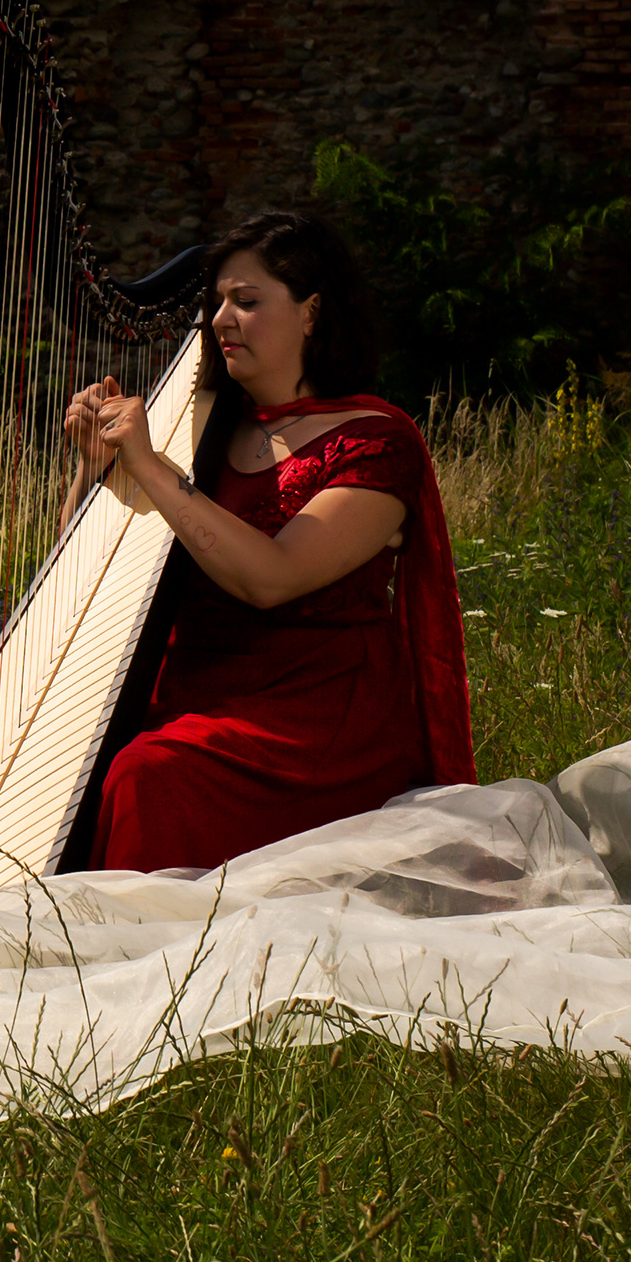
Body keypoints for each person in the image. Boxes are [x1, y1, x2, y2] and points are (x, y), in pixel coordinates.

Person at [60, 210, 474, 872]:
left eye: (246, 302)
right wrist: (95, 467)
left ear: (311, 313)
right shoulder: (200, 433)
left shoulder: (375, 441)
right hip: (189, 691)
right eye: (217, 302)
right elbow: (82, 573)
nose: (221, 319)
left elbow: (272, 577)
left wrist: (150, 469)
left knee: (147, 776)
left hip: (312, 718)